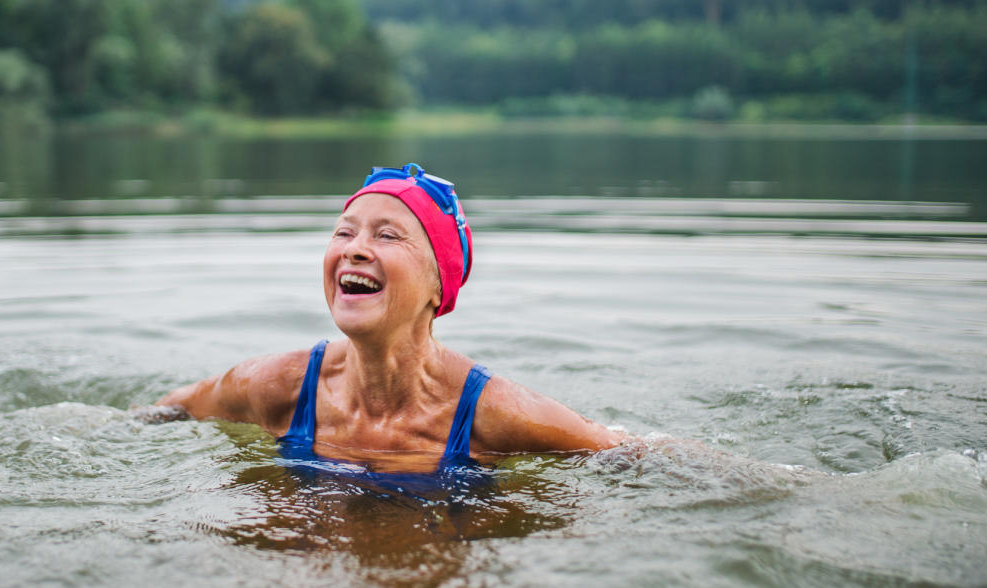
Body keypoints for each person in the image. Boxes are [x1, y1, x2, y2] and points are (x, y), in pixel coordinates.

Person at [144, 163, 639, 474]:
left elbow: (631, 452)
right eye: (344, 233)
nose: (355, 249)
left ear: (438, 285)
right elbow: (172, 409)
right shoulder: (278, 386)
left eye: (387, 236)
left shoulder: (496, 414)